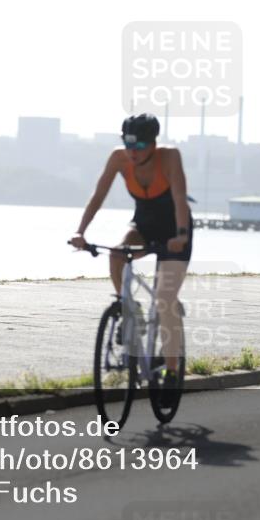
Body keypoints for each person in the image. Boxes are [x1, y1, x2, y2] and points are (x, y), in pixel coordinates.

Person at [69, 114, 192, 404]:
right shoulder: (119, 158)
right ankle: (130, 310)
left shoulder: (170, 157)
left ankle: (171, 374)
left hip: (175, 230)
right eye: (127, 143)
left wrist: (182, 235)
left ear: (154, 143)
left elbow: (179, 198)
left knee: (164, 299)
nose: (132, 152)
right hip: (143, 226)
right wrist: (80, 231)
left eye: (139, 146)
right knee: (115, 253)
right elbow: (98, 195)